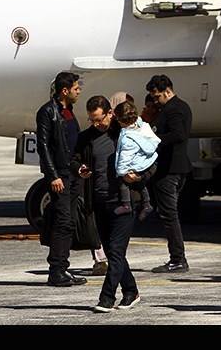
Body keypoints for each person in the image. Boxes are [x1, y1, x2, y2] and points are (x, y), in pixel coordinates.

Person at [72, 95, 155, 312]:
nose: (96, 124)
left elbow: (152, 159)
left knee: (116, 251)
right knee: (112, 252)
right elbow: (75, 159)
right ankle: (131, 291)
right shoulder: (86, 137)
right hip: (99, 202)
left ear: (110, 113)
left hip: (124, 201)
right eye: (92, 120)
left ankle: (106, 298)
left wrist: (139, 177)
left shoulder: (126, 132)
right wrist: (79, 169)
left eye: (99, 119)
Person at [35, 71, 88, 287]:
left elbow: (71, 144)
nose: (79, 91)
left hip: (72, 174)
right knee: (62, 221)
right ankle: (56, 270)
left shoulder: (68, 111)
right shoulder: (48, 112)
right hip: (60, 176)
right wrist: (53, 176)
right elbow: (43, 146)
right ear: (64, 91)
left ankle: (63, 268)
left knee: (70, 222)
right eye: (76, 88)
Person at [146, 74, 193, 273]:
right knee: (169, 214)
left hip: (169, 170)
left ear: (167, 91)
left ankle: (177, 259)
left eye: (157, 96)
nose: (155, 101)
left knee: (169, 215)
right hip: (177, 169)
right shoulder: (180, 106)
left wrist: (154, 140)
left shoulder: (173, 109)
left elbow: (178, 134)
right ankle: (178, 258)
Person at [113, 100, 157, 221]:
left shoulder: (128, 138)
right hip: (144, 162)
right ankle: (147, 204)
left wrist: (120, 172)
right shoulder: (143, 126)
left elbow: (125, 156)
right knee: (140, 184)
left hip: (134, 164)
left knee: (123, 182)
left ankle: (126, 204)